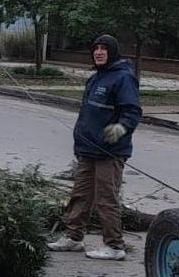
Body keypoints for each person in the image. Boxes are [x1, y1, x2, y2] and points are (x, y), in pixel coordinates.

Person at [48, 34, 142, 261]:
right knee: (79, 195)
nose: (99, 52)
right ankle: (73, 238)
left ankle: (114, 246)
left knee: (106, 199)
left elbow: (132, 111)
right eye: (96, 48)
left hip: (110, 153)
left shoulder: (123, 78)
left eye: (104, 49)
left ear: (112, 52)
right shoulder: (95, 78)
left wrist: (120, 129)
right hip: (88, 150)